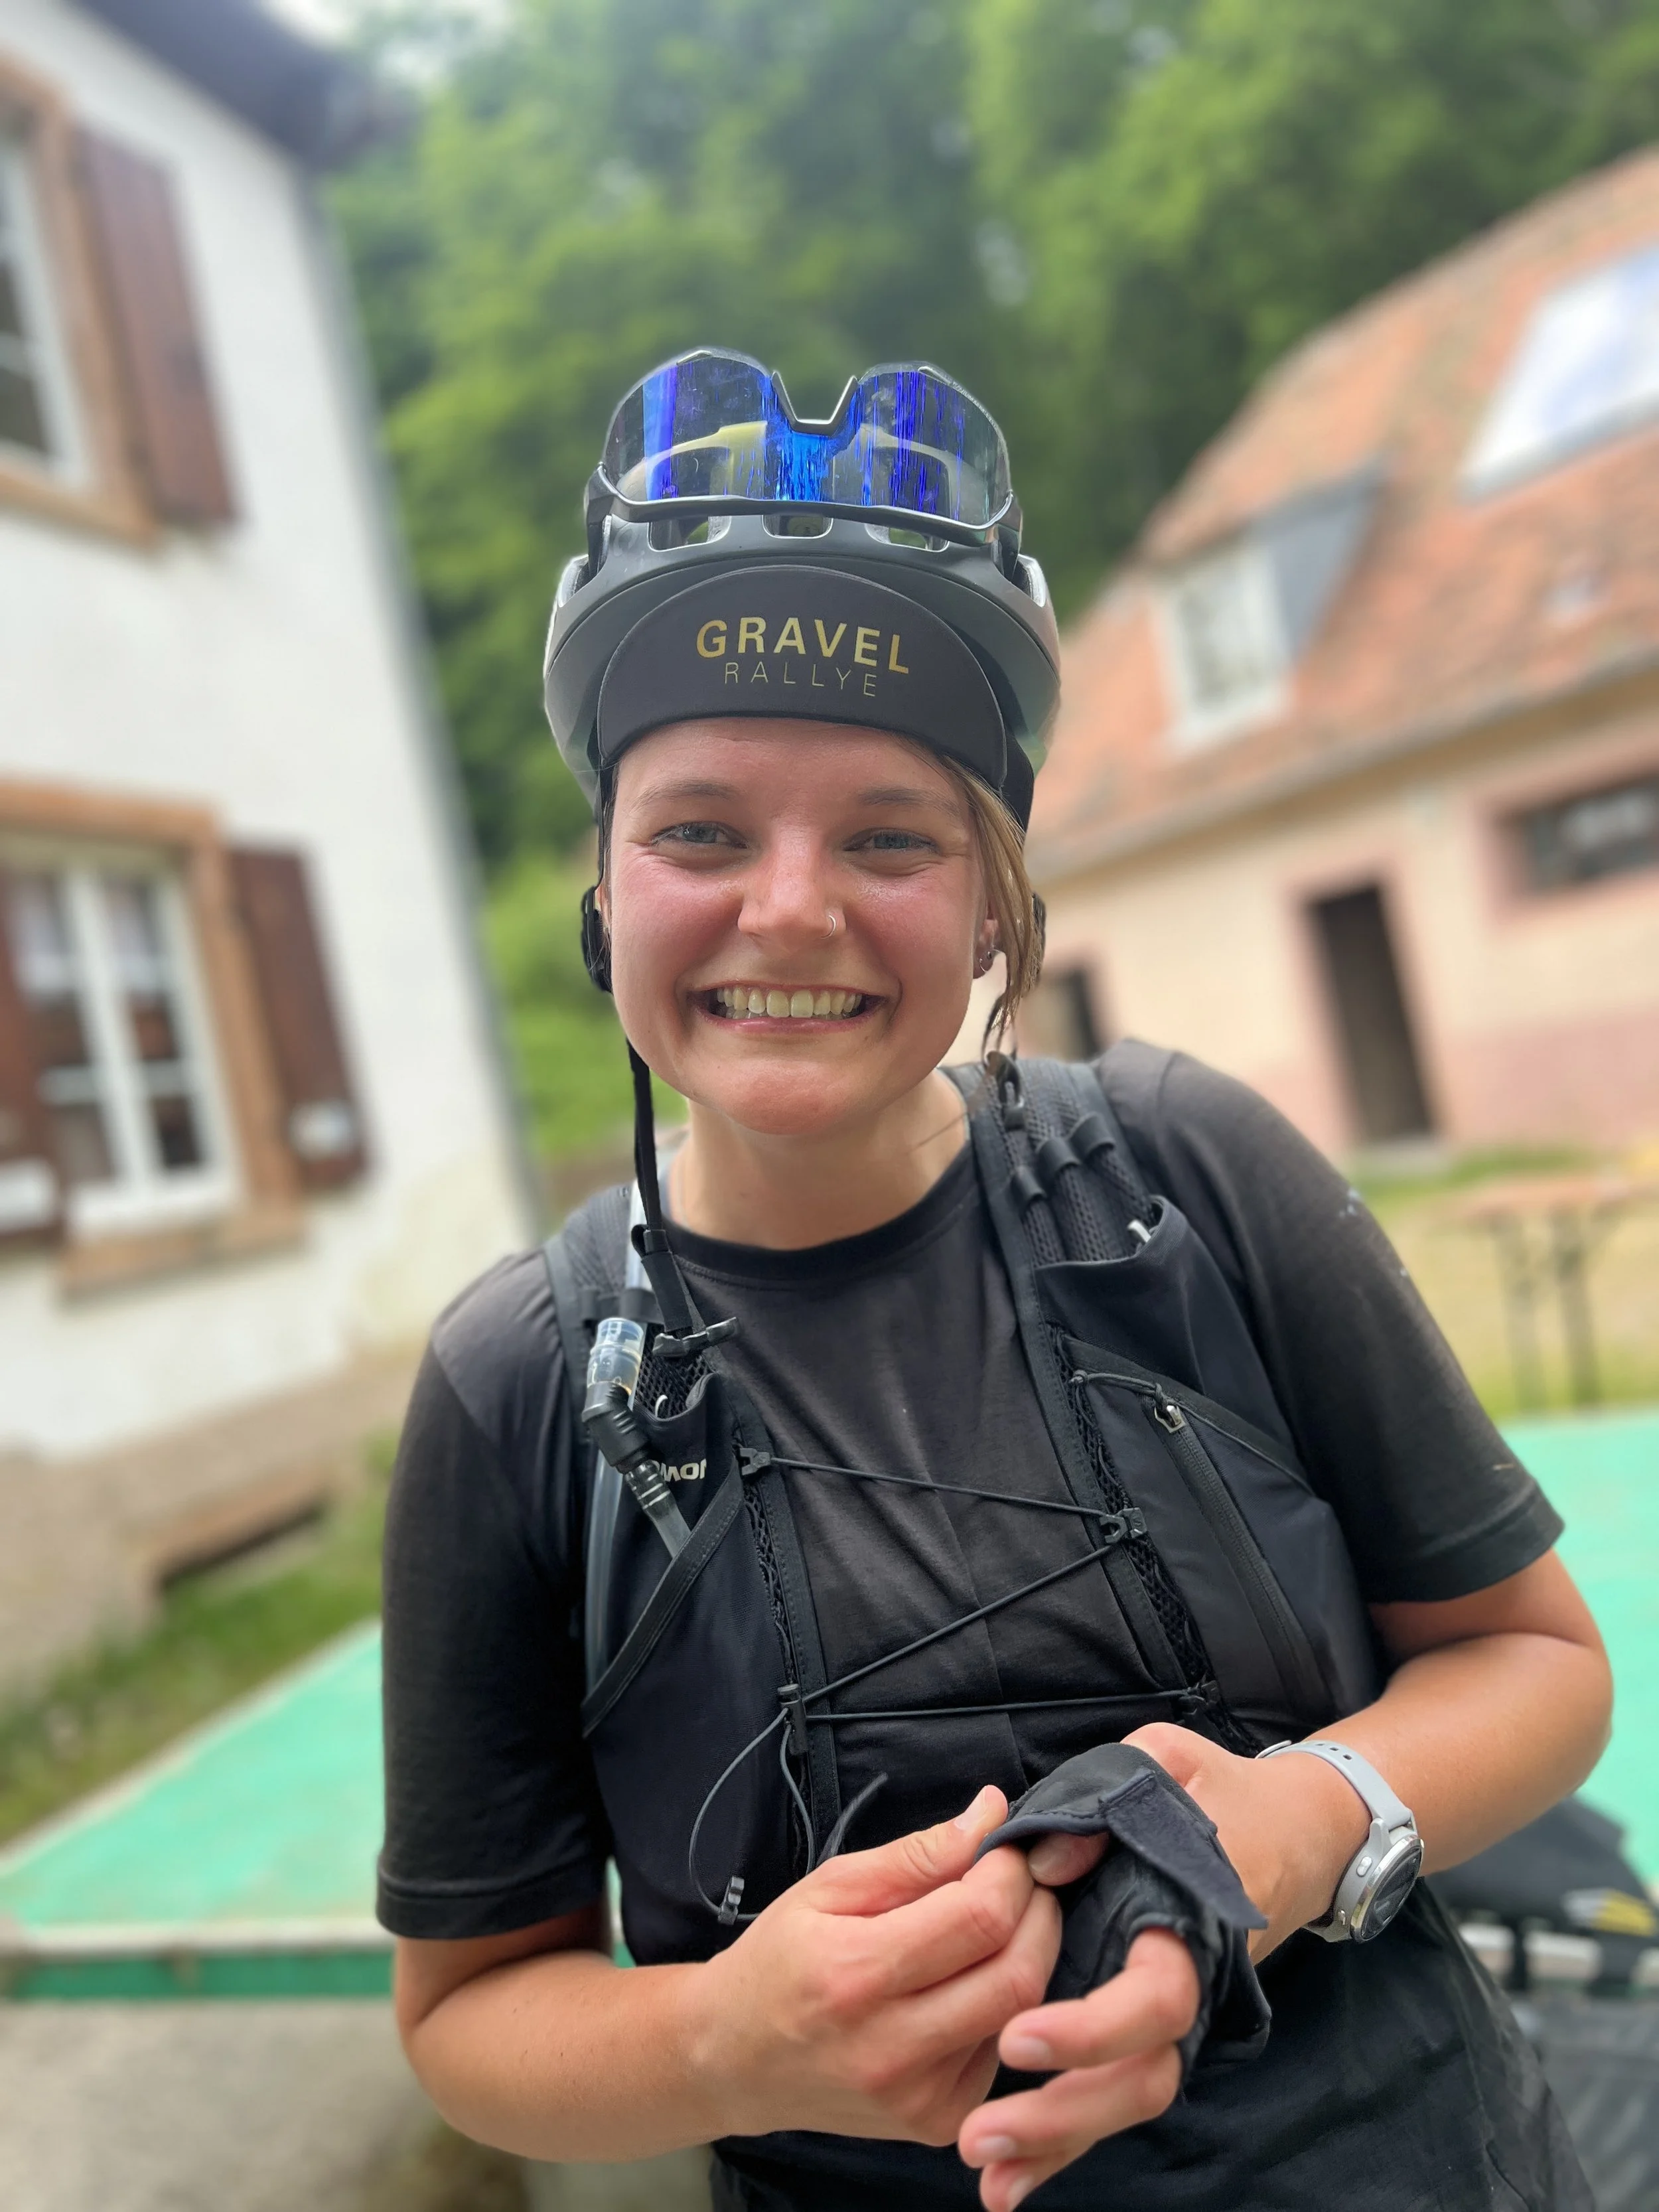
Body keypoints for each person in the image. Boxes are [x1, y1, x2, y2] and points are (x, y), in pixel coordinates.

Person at [377, 351, 1612, 2211]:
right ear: (607, 896)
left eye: (890, 835)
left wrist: (1293, 1830)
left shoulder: (1193, 1175)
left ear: (990, 910)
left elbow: (1534, 1663)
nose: (790, 906)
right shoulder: (520, 1382)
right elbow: (471, 2010)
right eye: (700, 828)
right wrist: (721, 2040)